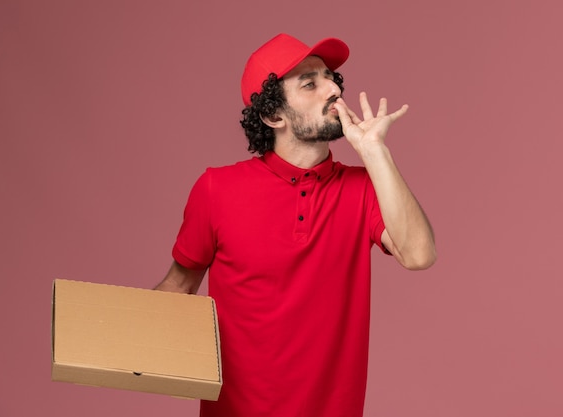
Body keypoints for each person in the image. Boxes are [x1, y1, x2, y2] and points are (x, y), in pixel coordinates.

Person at [154, 33, 436, 417]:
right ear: (274, 115)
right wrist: (111, 337)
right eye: (310, 83)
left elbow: (419, 255)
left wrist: (375, 152)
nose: (333, 88)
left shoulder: (365, 187)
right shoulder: (216, 189)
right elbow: (177, 288)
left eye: (330, 77)